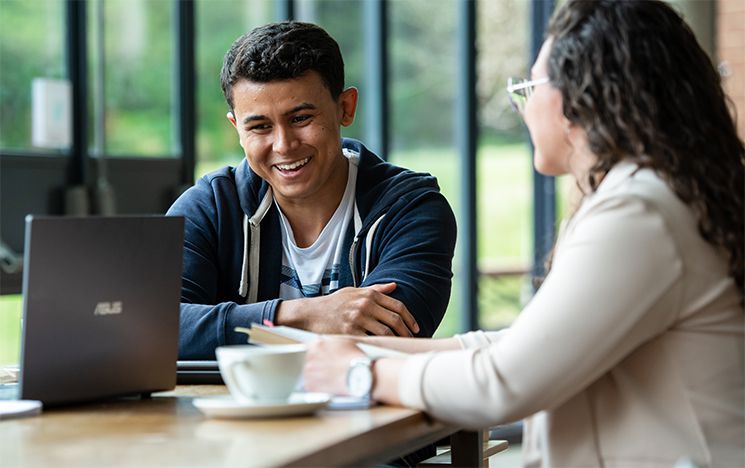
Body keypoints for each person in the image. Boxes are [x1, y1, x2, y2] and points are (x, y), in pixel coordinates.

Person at [303, 1, 745, 467]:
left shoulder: (640, 211)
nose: (527, 108)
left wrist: (360, 373)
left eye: (531, 88)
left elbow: (502, 383)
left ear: (584, 97)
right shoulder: (661, 193)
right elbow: (522, 347)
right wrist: (338, 350)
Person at [168, 22, 457, 360]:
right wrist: (302, 314)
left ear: (345, 108)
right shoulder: (210, 207)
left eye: (301, 118)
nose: (284, 145)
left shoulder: (412, 209)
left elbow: (390, 337)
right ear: (237, 128)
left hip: (363, 411)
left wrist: (224, 331)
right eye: (260, 126)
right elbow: (154, 327)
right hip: (225, 411)